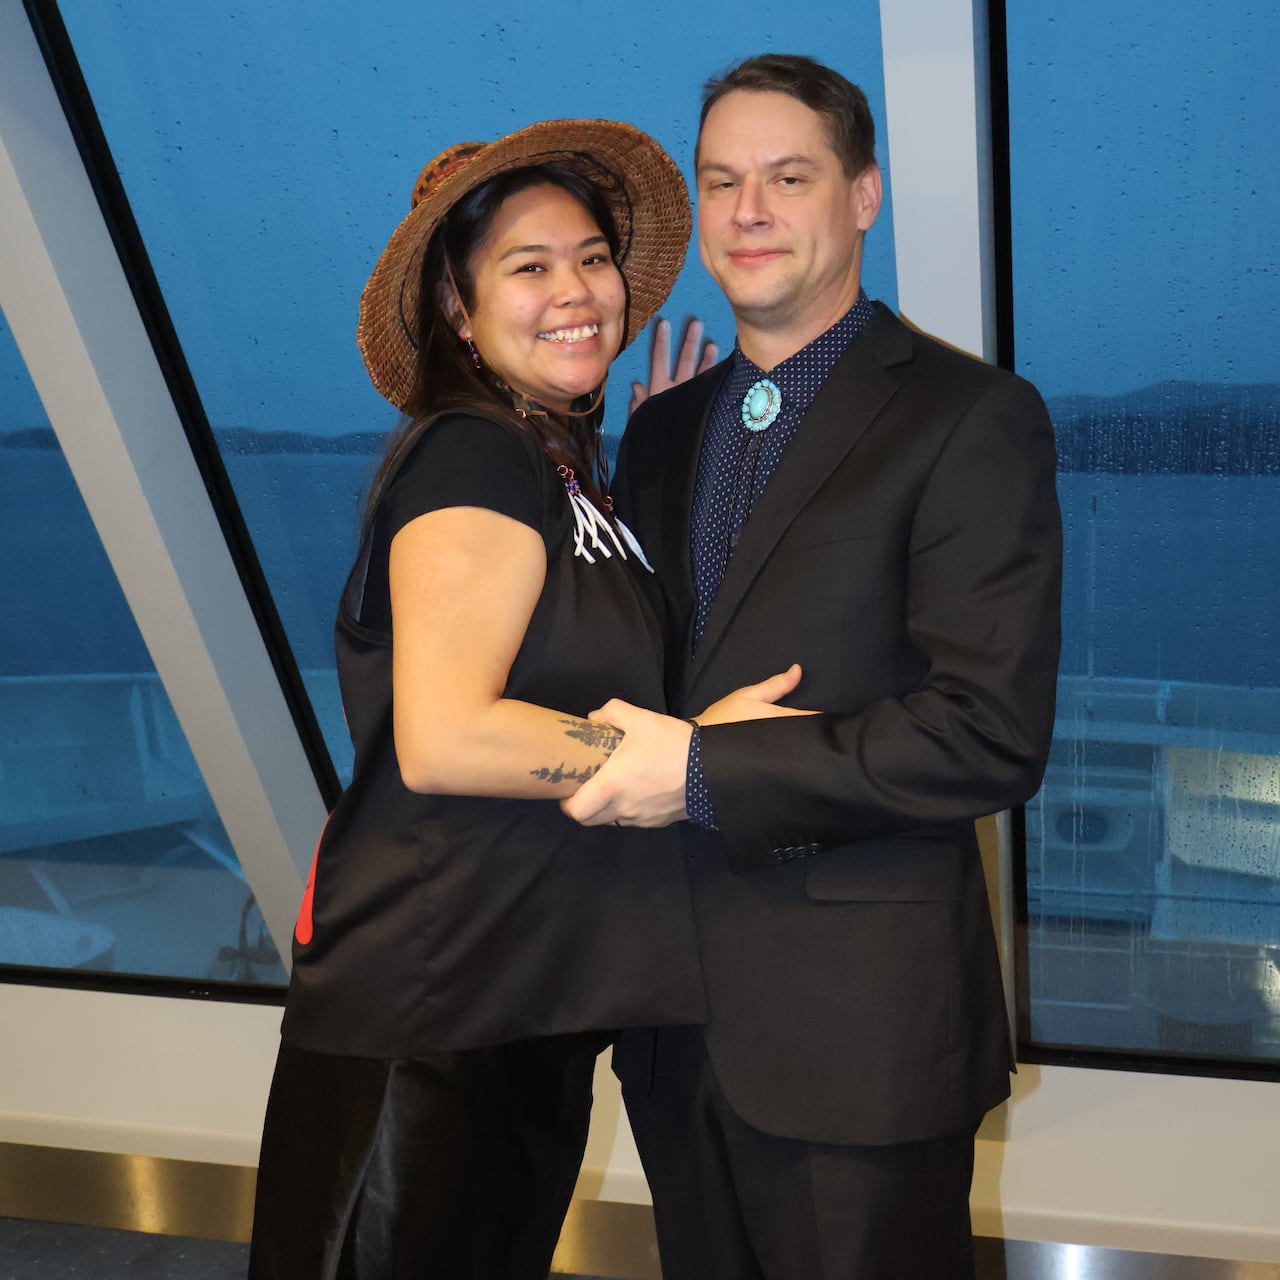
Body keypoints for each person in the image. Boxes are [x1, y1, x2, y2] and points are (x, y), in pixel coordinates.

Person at [563, 55, 1063, 1279]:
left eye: (788, 177)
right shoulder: (668, 426)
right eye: (721, 180)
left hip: (861, 1026)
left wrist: (704, 765)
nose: (746, 212)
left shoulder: (968, 415)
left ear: (863, 196)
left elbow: (985, 731)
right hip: (674, 1020)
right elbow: (635, 672)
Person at [247, 118, 729, 1279]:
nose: (576, 288)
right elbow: (447, 732)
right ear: (460, 315)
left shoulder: (563, 464)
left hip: (524, 998)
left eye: (591, 256)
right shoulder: (472, 454)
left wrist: (650, 462)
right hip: (433, 1009)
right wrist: (675, 764)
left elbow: (593, 636)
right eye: (527, 265)